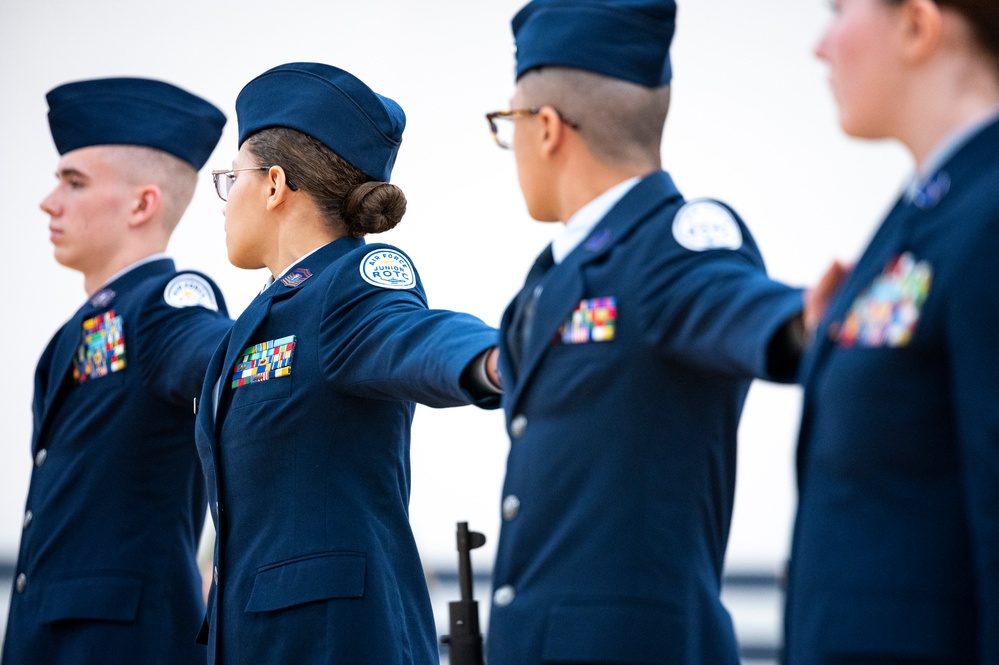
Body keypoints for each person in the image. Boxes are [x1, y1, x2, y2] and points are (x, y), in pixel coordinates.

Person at [482, 1, 807, 663]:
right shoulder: (553, 274)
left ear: (545, 128)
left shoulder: (674, 245)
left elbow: (737, 303)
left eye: (507, 124)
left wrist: (807, 321)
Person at [194, 62, 501, 665]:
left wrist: (501, 359)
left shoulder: (350, 283)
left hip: (337, 643)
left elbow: (410, 334)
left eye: (233, 178)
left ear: (275, 184)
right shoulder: (268, 313)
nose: (225, 202)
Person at [784, 1, 999, 663]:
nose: (820, 47)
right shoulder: (928, 209)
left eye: (838, 11)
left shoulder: (986, 216)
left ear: (916, 25)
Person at [2, 77, 231, 664]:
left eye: (74, 182)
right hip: (53, 637)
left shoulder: (167, 305)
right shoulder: (79, 329)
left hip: (125, 643)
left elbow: (228, 362)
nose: (49, 201)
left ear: (142, 203)